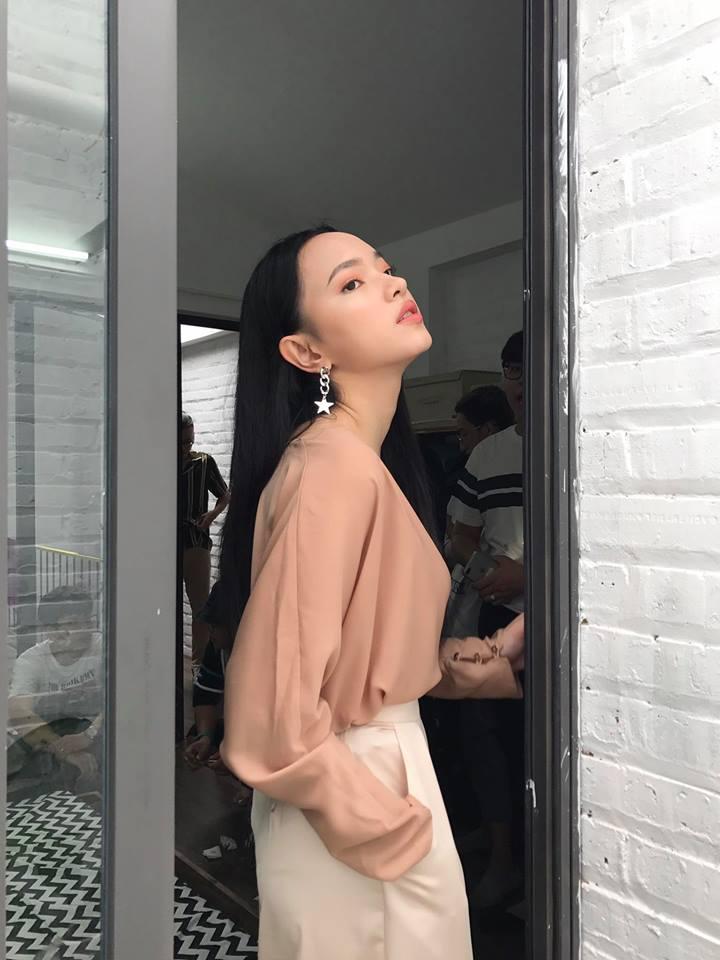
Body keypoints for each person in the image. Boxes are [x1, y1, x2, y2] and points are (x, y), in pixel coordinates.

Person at [217, 225, 525, 960]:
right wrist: (384, 826)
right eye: (352, 282)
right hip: (359, 796)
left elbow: (359, 660)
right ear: (307, 352)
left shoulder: (356, 462)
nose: (395, 283)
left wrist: (480, 658)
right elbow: (270, 715)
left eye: (386, 270)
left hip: (370, 783)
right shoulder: (331, 467)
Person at [447, 330, 525, 909]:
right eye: (510, 371)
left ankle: (534, 859)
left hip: (563, 620)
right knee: (487, 738)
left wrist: (530, 574)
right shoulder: (488, 454)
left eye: (527, 370)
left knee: (537, 744)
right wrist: (489, 570)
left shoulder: (584, 441)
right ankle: (502, 857)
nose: (518, 383)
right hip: (496, 613)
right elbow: (462, 532)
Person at [8, 585, 103, 794]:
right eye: (74, 623)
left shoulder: (103, 647)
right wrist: (63, 749)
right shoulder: (32, 660)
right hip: (52, 732)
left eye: (88, 621)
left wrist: (89, 735)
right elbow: (18, 712)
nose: (86, 630)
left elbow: (124, 696)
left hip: (96, 729)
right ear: (51, 631)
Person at [180, 412, 230, 666]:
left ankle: (198, 665)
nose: (187, 447)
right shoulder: (158, 463)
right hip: (163, 544)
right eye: (182, 442)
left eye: (190, 441)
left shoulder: (203, 462)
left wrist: (211, 516)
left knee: (200, 607)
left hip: (196, 541)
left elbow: (224, 494)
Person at [445, 384, 515, 558]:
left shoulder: (482, 461)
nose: (461, 446)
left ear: (488, 430)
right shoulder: (464, 470)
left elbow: (454, 537)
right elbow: (455, 534)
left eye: (464, 434)